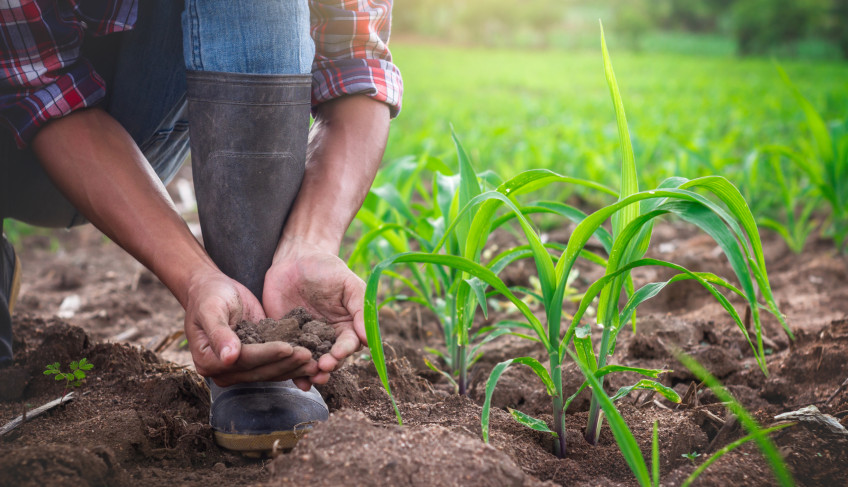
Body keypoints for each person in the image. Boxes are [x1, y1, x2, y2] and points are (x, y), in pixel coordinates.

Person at [0, 0, 402, 454]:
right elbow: (37, 92)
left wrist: (308, 243)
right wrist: (193, 278)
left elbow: (357, 65)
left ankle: (251, 322)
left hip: (129, 126)